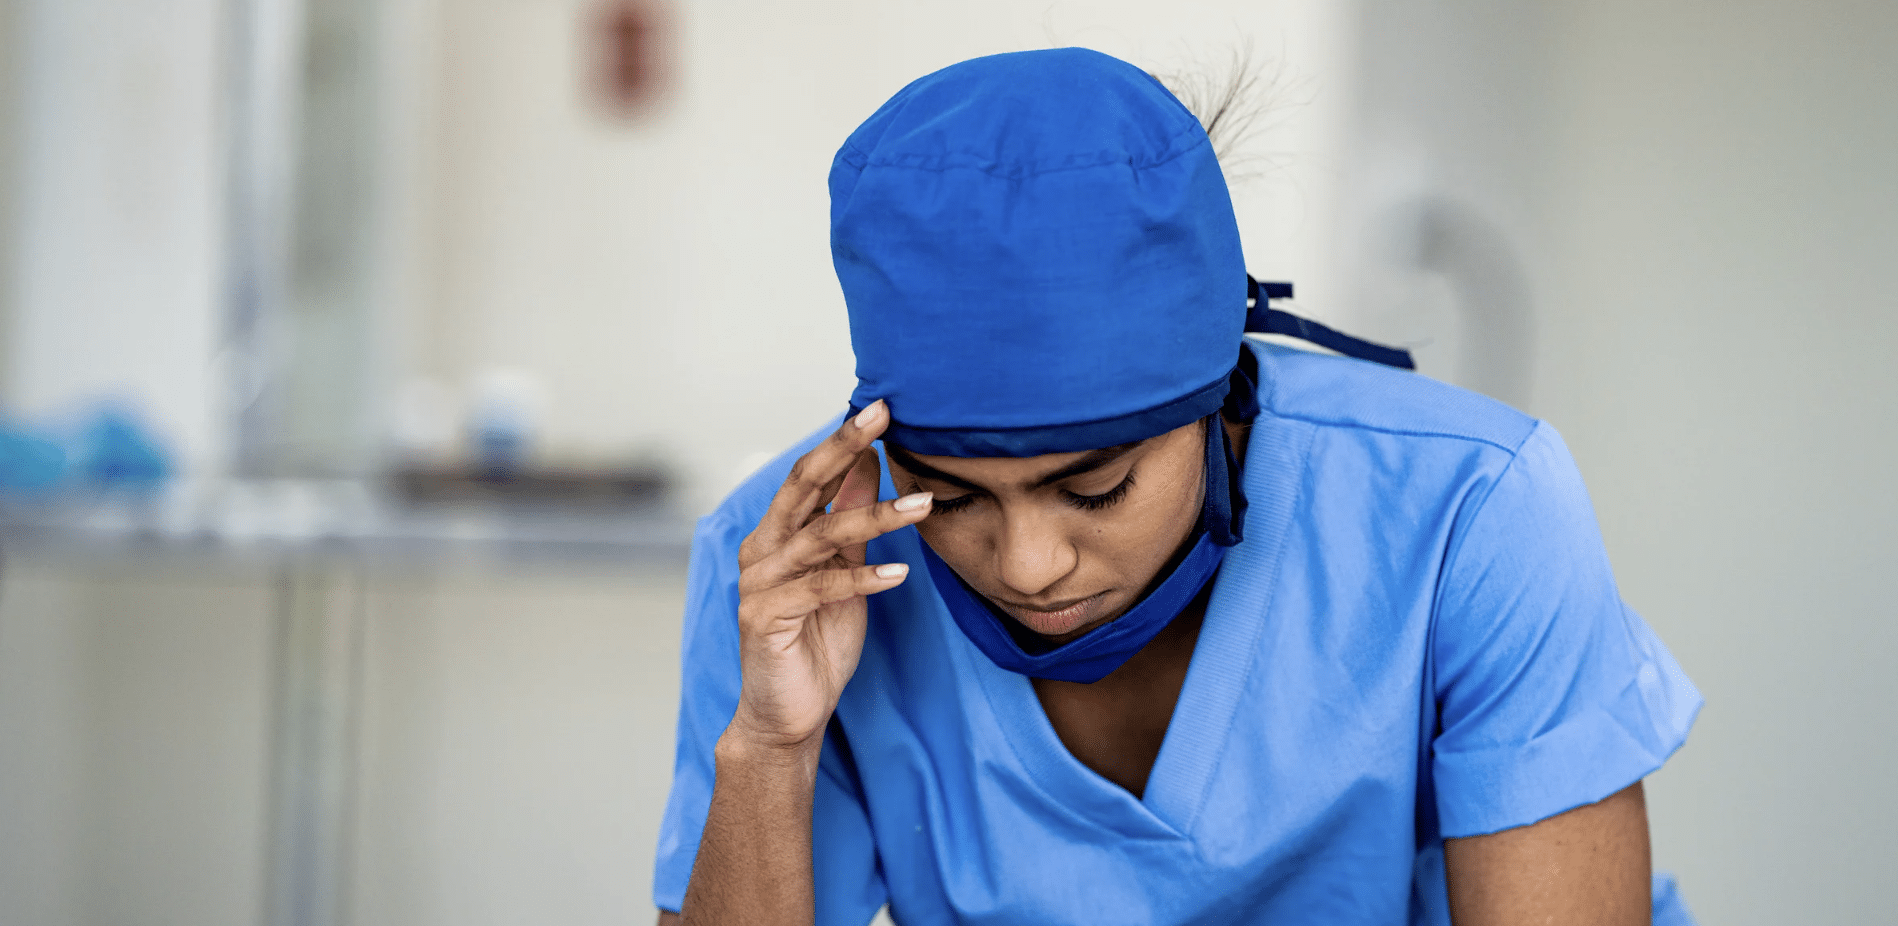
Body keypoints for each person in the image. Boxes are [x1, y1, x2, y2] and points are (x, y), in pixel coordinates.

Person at [652, 47, 1700, 926]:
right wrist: (767, 746)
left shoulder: (1467, 508)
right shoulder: (796, 568)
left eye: (1095, 487)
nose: (1027, 565)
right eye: (950, 496)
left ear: (1213, 400)